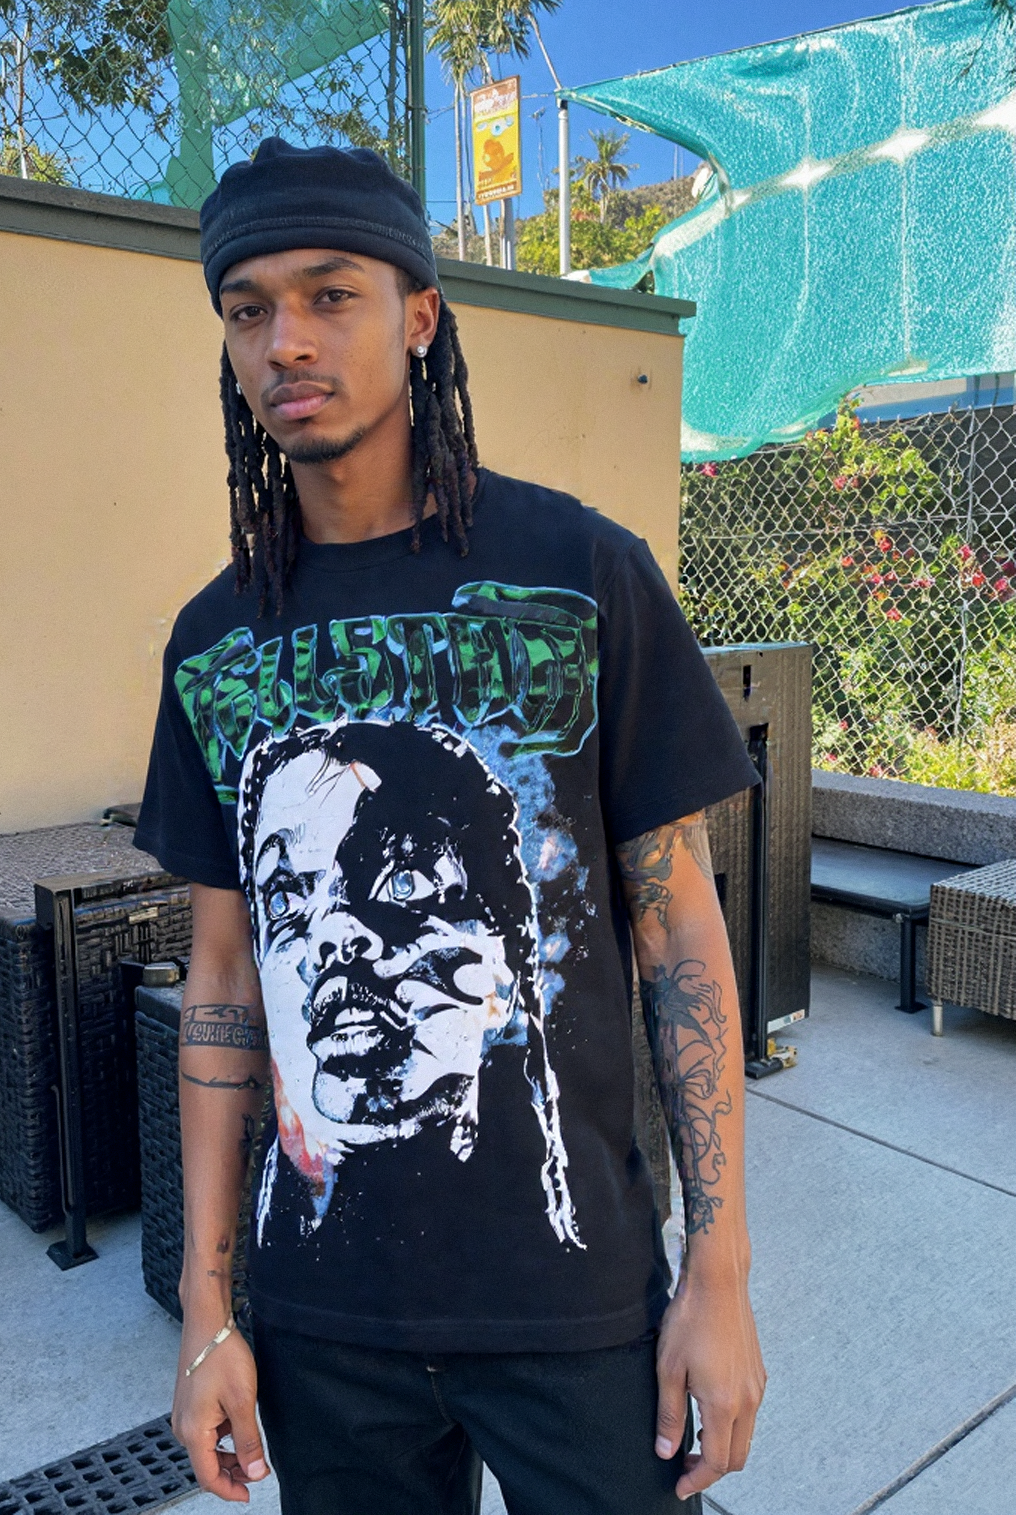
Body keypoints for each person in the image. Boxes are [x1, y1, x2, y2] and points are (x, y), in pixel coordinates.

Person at [134, 136, 766, 1515]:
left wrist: (717, 1275)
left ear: (420, 316)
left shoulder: (582, 575)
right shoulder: (217, 639)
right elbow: (224, 980)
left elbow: (679, 938)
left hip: (574, 1304)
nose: (286, 342)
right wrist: (208, 1311)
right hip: (324, 1323)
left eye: (330, 295)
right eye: (247, 310)